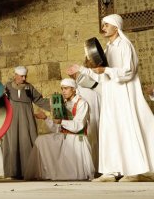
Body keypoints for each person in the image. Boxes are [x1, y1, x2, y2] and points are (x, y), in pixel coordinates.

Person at [67, 14, 154, 182]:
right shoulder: (108, 48)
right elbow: (101, 77)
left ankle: (134, 171)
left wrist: (106, 71)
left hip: (124, 95)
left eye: (106, 25)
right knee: (110, 130)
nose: (103, 28)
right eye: (103, 25)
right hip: (111, 96)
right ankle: (110, 171)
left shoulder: (125, 45)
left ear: (116, 27)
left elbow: (128, 72)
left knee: (126, 129)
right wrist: (81, 69)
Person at [24, 78, 95, 181]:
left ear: (73, 89)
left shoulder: (81, 103)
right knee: (41, 140)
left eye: (66, 89)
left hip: (76, 138)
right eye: (62, 89)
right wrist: (45, 118)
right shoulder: (63, 104)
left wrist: (61, 121)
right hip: (63, 136)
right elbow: (56, 129)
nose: (63, 91)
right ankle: (46, 171)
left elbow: (78, 126)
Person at [2, 66, 51, 179]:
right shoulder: (8, 86)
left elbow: (39, 100)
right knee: (12, 142)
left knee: (27, 141)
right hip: (12, 119)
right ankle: (13, 172)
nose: (23, 78)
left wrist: (54, 105)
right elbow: (1, 101)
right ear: (15, 75)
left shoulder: (29, 87)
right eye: (21, 76)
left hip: (26, 118)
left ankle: (28, 171)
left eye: (25, 76)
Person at [70, 72, 101, 172]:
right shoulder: (80, 88)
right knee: (93, 141)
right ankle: (96, 167)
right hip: (88, 119)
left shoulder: (93, 85)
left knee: (98, 140)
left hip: (96, 117)